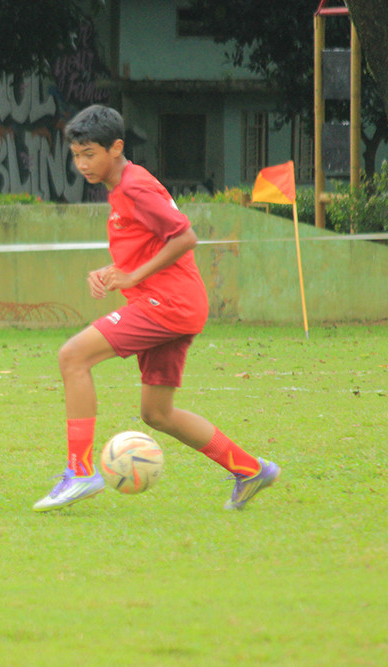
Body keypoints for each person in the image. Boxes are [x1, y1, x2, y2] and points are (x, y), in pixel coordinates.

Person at [33, 104, 280, 512]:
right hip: (176, 305)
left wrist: (131, 278)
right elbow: (153, 244)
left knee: (72, 357)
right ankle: (250, 469)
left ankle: (79, 471)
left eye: (89, 154)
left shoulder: (134, 187)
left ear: (116, 148)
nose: (81, 164)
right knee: (157, 412)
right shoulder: (126, 187)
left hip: (167, 304)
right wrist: (116, 271)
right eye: (76, 155)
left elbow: (185, 238)